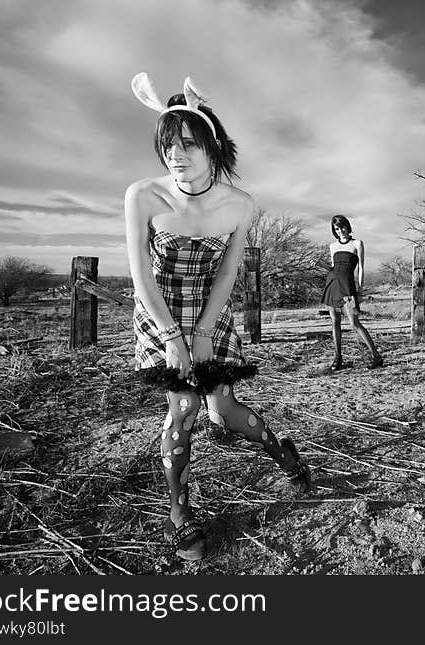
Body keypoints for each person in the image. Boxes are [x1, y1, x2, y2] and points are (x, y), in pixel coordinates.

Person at [125, 73, 313, 562]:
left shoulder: (239, 204)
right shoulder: (143, 195)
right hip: (159, 310)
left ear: (213, 145)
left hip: (211, 312)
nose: (176, 155)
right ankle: (179, 514)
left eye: (189, 144)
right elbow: (140, 275)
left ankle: (283, 452)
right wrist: (172, 337)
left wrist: (204, 333)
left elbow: (228, 273)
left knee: (222, 409)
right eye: (168, 145)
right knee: (184, 407)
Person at [320, 214, 384, 371]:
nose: (340, 231)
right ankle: (338, 358)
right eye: (337, 228)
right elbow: (335, 268)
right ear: (334, 231)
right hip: (333, 285)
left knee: (354, 323)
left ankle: (376, 356)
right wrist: (320, 264)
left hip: (348, 287)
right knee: (335, 322)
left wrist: (360, 290)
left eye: (342, 227)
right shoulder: (332, 246)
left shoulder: (357, 243)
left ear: (347, 226)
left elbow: (361, 268)